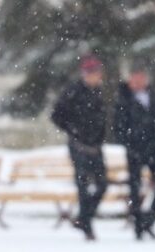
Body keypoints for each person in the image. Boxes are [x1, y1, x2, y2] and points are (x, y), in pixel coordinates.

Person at [51, 54, 108, 241]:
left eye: (97, 73)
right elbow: (56, 115)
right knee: (83, 187)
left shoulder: (99, 92)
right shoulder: (73, 91)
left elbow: (102, 119)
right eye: (91, 73)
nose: (95, 76)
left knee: (101, 184)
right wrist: (73, 130)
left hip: (96, 147)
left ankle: (84, 218)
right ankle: (87, 226)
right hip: (78, 146)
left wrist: (100, 138)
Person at [113, 62, 155, 240]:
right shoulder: (123, 99)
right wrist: (130, 145)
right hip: (134, 151)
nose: (138, 82)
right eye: (134, 79)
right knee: (134, 189)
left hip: (154, 150)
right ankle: (137, 225)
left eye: (141, 78)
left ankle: (148, 220)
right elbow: (118, 127)